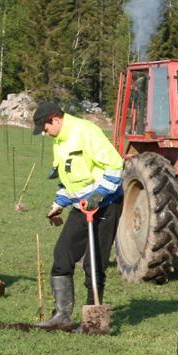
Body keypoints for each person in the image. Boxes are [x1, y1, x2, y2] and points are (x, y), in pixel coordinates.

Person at [32, 101, 124, 328]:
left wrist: (100, 194)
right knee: (62, 254)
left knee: (94, 263)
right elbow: (70, 179)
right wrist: (58, 203)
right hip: (80, 207)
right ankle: (62, 315)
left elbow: (115, 164)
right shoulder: (60, 142)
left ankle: (93, 322)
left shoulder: (86, 132)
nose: (45, 134)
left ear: (55, 119)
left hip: (106, 204)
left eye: (45, 129)